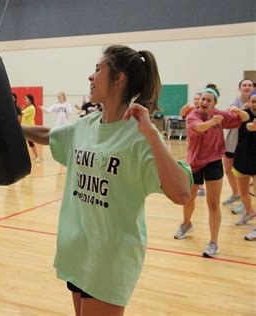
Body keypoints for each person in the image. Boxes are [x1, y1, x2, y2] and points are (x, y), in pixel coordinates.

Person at [23, 45, 191, 315]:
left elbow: (181, 193)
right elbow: (48, 135)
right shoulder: (86, 125)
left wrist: (150, 133)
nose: (91, 76)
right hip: (77, 251)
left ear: (119, 78)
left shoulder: (139, 134)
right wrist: (13, 128)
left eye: (98, 69)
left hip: (110, 259)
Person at [173, 87, 249, 258]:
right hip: (194, 164)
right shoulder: (193, 115)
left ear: (215, 103)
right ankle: (186, 224)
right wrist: (212, 122)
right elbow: (199, 127)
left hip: (214, 162)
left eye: (209, 100)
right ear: (198, 101)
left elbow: (244, 118)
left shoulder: (220, 115)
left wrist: (239, 111)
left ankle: (213, 243)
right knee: (188, 198)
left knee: (213, 204)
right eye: (202, 100)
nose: (204, 102)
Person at [222, 80, 254, 209]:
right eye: (244, 85)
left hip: (247, 145)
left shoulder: (253, 103)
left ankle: (244, 200)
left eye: (249, 85)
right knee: (228, 170)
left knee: (245, 173)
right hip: (232, 141)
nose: (247, 87)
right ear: (239, 88)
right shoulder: (235, 102)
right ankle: (236, 194)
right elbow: (231, 114)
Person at [233, 91, 256, 228]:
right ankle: (248, 212)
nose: (255, 104)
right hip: (243, 157)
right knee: (243, 192)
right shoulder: (243, 114)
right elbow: (247, 126)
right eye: (253, 101)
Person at [180, 92, 206, 196]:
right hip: (191, 141)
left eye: (198, 99)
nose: (196, 101)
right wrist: (184, 108)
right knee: (192, 162)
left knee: (201, 162)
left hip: (202, 142)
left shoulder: (204, 112)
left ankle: (201, 187)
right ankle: (192, 185)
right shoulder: (191, 110)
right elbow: (182, 114)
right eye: (194, 99)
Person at [22, 94, 40, 163]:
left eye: (26, 99)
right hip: (25, 127)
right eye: (24, 99)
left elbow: (21, 113)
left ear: (30, 100)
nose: (25, 100)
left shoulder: (31, 108)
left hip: (29, 128)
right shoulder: (28, 108)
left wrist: (19, 110)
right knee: (25, 143)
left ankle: (37, 157)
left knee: (31, 143)